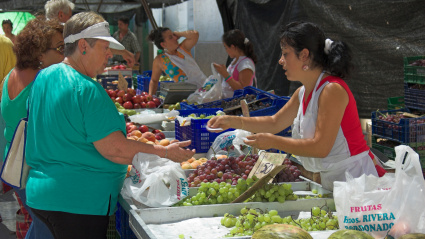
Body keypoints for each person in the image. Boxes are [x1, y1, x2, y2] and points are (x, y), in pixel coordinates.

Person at [25, 11, 195, 239]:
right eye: (104, 48)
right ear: (83, 46)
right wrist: (164, 151)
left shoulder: (44, 77)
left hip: (43, 195)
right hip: (77, 202)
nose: (109, 55)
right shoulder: (87, 89)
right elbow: (114, 148)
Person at [207, 21, 386, 190]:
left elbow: (320, 147)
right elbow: (274, 122)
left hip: (360, 181)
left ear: (304, 55)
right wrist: (230, 121)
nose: (280, 60)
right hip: (336, 181)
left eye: (285, 54)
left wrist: (273, 141)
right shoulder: (302, 92)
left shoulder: (332, 90)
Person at [1, 17, 63, 239]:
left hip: (16, 166)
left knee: (40, 225)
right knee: (47, 227)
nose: (65, 54)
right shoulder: (42, 80)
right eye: (60, 48)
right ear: (40, 54)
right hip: (33, 170)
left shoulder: (12, 75)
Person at [44, 0, 136, 67]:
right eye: (70, 16)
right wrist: (123, 52)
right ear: (61, 15)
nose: (71, 20)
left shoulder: (41, 32)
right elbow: (96, 46)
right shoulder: (62, 33)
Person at [147, 27, 207, 95]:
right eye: (171, 37)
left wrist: (178, 34)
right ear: (163, 44)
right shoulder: (159, 60)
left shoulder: (183, 48)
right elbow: (154, 81)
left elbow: (195, 34)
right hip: (189, 96)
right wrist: (151, 98)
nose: (175, 38)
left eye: (173, 35)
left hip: (206, 88)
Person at [213, 29, 257, 98]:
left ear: (233, 47)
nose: (226, 51)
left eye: (226, 48)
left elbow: (242, 89)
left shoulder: (246, 64)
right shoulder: (235, 61)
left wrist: (225, 74)